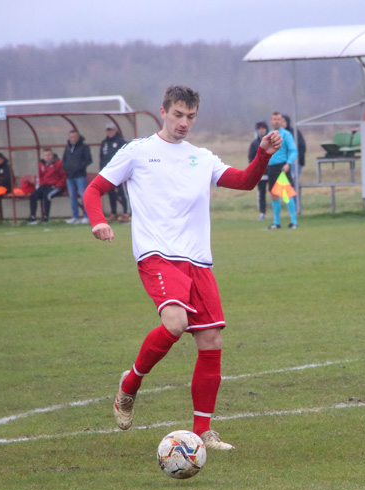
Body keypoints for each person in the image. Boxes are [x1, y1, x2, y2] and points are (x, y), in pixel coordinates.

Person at [83, 85, 282, 451]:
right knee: (175, 324)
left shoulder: (201, 157)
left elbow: (244, 181)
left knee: (211, 340)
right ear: (163, 112)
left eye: (190, 116)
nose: (184, 123)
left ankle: (203, 431)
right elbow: (93, 190)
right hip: (157, 254)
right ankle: (129, 386)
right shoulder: (138, 152)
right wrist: (99, 221)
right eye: (178, 115)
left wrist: (263, 155)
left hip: (198, 260)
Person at [266, 111, 298, 229]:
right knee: (274, 194)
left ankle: (293, 222)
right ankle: (276, 222)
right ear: (271, 121)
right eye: (274, 119)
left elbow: (293, 150)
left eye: (278, 119)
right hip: (272, 168)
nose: (276, 121)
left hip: (282, 167)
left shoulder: (286, 135)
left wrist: (288, 163)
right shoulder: (269, 135)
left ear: (281, 121)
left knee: (286, 195)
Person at [27, 149, 67, 224]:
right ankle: (32, 217)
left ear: (52, 155)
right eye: (45, 155)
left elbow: (63, 176)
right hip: (44, 186)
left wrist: (58, 185)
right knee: (33, 196)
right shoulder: (41, 163)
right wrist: (41, 184)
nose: (47, 157)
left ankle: (46, 217)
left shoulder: (58, 163)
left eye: (49, 155)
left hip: (55, 186)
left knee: (47, 195)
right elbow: (41, 176)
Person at [99, 123, 129, 223]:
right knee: (111, 193)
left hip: (120, 171)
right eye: (108, 130)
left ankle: (126, 212)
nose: (110, 132)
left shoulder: (121, 142)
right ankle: (113, 213)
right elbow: (102, 158)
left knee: (122, 192)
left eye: (111, 130)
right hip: (108, 172)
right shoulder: (104, 143)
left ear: (115, 131)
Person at [62, 129, 93, 224]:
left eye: (75, 137)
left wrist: (79, 168)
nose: (73, 139)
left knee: (84, 196)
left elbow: (88, 160)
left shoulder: (84, 147)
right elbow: (64, 160)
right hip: (70, 176)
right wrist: (67, 168)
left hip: (80, 176)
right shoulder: (67, 148)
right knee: (72, 197)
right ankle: (75, 216)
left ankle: (86, 216)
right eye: (71, 137)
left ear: (78, 137)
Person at [249, 121, 269, 219]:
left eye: (263, 128)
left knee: (276, 191)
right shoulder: (254, 143)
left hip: (272, 170)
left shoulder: (271, 141)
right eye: (260, 129)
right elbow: (251, 157)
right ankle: (262, 212)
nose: (261, 130)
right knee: (261, 192)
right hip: (260, 172)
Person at [283, 114, 306, 192]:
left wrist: (297, 159)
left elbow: (301, 147)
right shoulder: (279, 134)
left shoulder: (294, 133)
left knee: (292, 184)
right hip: (284, 163)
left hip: (295, 162)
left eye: (283, 121)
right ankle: (291, 203)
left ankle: (295, 203)